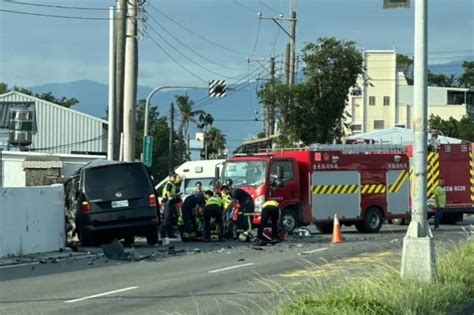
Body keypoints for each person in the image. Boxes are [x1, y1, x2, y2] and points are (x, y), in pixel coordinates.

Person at [161, 173, 181, 238]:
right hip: (168, 202)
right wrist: (177, 195)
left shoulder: (172, 184)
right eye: (173, 177)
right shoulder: (169, 184)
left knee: (170, 218)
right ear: (170, 177)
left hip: (171, 203)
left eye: (175, 177)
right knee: (167, 218)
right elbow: (169, 195)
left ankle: (170, 234)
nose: (175, 178)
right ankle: (163, 234)